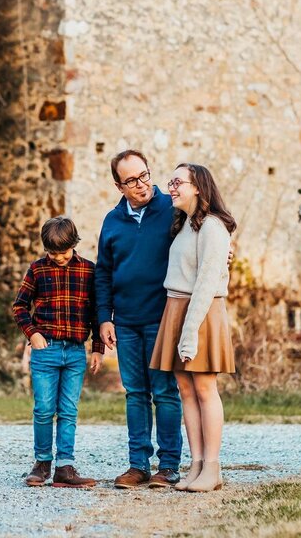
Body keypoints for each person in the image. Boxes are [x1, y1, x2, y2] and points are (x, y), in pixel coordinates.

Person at [94, 149, 182, 489]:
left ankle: (169, 465)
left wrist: (226, 249)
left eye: (144, 175)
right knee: (135, 393)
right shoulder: (112, 221)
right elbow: (103, 273)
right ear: (119, 186)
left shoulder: (171, 209)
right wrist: (105, 319)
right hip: (126, 321)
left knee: (164, 391)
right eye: (131, 180)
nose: (142, 184)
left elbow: (204, 232)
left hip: (162, 317)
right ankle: (138, 465)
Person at [151, 163, 236, 493]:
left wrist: (189, 332)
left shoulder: (213, 228)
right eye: (170, 181)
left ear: (198, 186)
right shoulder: (185, 225)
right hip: (176, 307)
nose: (171, 187)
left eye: (177, 182)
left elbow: (206, 283)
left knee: (203, 388)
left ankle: (212, 468)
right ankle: (197, 465)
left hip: (200, 311)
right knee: (185, 390)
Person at [12, 216, 105, 489]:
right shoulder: (38, 270)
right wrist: (33, 333)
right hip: (45, 351)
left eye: (63, 252)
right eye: (52, 252)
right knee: (43, 409)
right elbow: (19, 307)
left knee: (68, 410)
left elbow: (97, 313)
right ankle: (42, 463)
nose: (58, 257)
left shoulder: (89, 270)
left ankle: (65, 467)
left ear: (74, 245)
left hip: (76, 352)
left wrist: (97, 349)